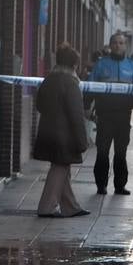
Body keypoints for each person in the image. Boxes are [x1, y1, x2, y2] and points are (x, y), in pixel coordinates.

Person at [85, 32, 133, 195]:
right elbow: (91, 85)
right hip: (104, 115)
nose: (118, 46)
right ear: (110, 45)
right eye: (115, 43)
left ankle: (120, 185)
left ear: (125, 46)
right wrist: (86, 106)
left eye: (121, 43)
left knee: (121, 152)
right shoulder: (101, 64)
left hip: (123, 115)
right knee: (102, 151)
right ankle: (101, 185)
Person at [33, 42, 90, 218]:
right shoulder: (71, 83)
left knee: (62, 167)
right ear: (74, 65)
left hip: (47, 131)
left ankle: (70, 206)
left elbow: (40, 105)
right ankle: (47, 207)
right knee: (59, 167)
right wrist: (82, 140)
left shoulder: (48, 80)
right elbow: (76, 115)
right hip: (63, 136)